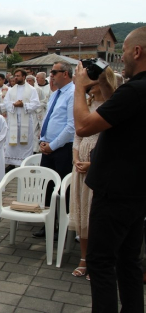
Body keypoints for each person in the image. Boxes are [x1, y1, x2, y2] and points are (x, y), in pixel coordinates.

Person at [74, 27, 146, 312]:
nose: (122, 57)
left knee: (101, 262)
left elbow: (83, 125)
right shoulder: (135, 92)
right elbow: (119, 113)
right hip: (137, 192)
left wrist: (79, 87)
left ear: (137, 52)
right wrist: (104, 83)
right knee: (129, 261)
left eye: (125, 51)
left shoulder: (134, 90)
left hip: (114, 192)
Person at [69, 67, 116, 279]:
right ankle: (84, 258)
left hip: (99, 163)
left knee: (94, 214)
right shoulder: (85, 105)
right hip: (81, 165)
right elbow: (78, 135)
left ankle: (98, 260)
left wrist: (92, 163)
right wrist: (76, 158)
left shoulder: (111, 106)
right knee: (81, 213)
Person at [33, 61, 75, 239]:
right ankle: (48, 224)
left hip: (62, 148)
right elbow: (50, 119)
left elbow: (71, 127)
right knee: (48, 187)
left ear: (65, 74)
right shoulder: (55, 93)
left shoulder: (73, 93)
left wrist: (53, 145)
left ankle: (62, 226)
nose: (51, 76)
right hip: (48, 147)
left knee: (62, 190)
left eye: (54, 72)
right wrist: (43, 140)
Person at [4, 69, 40, 167]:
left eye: (18, 76)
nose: (16, 78)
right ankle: (12, 165)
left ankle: (25, 165)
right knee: (12, 145)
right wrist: (14, 104)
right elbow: (6, 103)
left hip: (26, 122)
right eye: (15, 76)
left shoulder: (32, 90)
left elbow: (36, 104)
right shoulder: (11, 90)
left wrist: (23, 105)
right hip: (13, 122)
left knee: (25, 143)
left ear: (24, 77)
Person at [26, 75, 47, 152]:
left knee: (36, 131)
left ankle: (36, 149)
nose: (28, 82)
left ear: (34, 81)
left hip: (38, 113)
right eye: (27, 81)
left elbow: (44, 101)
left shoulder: (38, 90)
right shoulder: (25, 90)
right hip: (29, 113)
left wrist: (35, 106)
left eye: (30, 81)